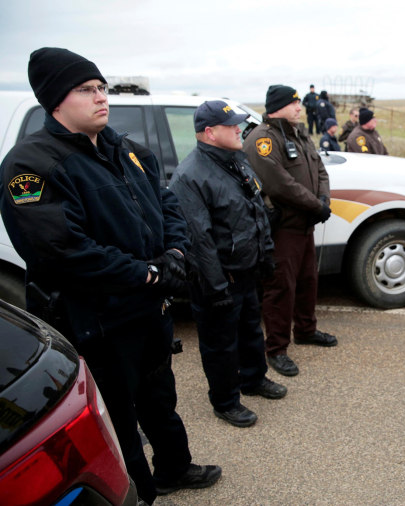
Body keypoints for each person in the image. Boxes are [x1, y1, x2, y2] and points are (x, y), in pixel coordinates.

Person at [0, 47, 221, 504]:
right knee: (118, 417)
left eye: (102, 87)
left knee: (160, 398)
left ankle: (175, 468)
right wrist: (147, 274)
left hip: (148, 310)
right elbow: (62, 252)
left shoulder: (128, 151)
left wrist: (175, 253)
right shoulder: (30, 166)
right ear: (55, 101)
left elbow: (167, 205)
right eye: (86, 89)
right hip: (97, 321)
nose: (101, 97)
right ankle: (139, 493)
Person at [169, 100, 288, 428]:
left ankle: (253, 379)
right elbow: (198, 240)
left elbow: (255, 213)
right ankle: (225, 400)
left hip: (246, 272)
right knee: (220, 344)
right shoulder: (189, 176)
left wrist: (265, 255)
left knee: (251, 328)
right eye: (232, 125)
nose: (239, 128)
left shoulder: (236, 161)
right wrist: (216, 286)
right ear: (209, 133)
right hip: (217, 281)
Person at [242, 84, 337, 377]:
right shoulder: (263, 139)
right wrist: (315, 205)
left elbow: (320, 169)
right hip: (283, 227)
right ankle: (277, 348)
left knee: (308, 280)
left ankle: (306, 330)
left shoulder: (300, 133)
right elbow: (278, 183)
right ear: (278, 107)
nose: (300, 107)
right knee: (281, 287)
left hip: (305, 224)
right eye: (294, 103)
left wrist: (323, 200)